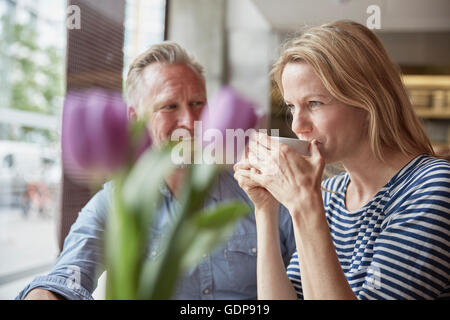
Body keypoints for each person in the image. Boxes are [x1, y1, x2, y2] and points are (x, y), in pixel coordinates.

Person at [17, 41, 296, 300]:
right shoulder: (119, 202)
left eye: (198, 103)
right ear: (135, 118)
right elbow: (65, 279)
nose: (189, 121)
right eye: (169, 106)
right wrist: (43, 295)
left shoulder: (260, 187)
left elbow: (310, 269)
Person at [234, 20, 450, 300]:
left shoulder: (433, 187)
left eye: (314, 103)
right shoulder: (331, 194)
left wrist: (305, 207)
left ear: (367, 101)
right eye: (291, 107)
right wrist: (266, 209)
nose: (298, 125)